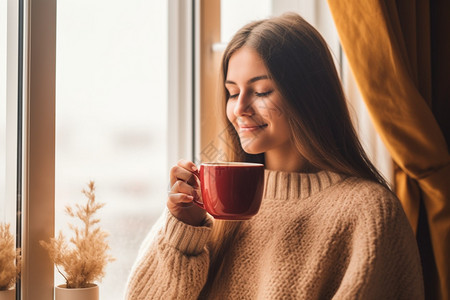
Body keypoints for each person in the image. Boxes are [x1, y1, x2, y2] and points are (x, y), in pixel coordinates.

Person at [125, 13, 424, 299]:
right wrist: (183, 233)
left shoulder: (368, 212)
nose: (239, 108)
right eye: (232, 92)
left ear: (308, 97)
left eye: (262, 91)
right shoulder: (210, 203)